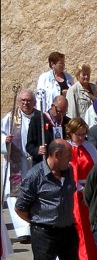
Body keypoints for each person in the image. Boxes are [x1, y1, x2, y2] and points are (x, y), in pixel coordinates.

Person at [14, 139, 82, 260]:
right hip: (44, 232)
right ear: (56, 155)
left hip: (68, 231)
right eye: (68, 155)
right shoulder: (35, 175)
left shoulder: (67, 170)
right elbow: (20, 207)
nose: (71, 158)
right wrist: (37, 222)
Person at [3, 91, 52, 243]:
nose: (26, 103)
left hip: (35, 160)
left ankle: (32, 223)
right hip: (17, 162)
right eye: (23, 100)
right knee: (16, 193)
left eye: (29, 100)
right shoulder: (11, 118)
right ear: (19, 102)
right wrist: (5, 140)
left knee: (34, 192)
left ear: (34, 102)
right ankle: (22, 230)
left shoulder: (41, 117)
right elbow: (1, 133)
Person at [64, 117, 97, 260]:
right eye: (78, 134)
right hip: (74, 194)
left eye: (83, 134)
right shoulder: (66, 148)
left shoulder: (89, 146)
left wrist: (91, 187)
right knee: (78, 229)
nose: (81, 138)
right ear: (70, 133)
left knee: (92, 228)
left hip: (90, 192)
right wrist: (78, 188)